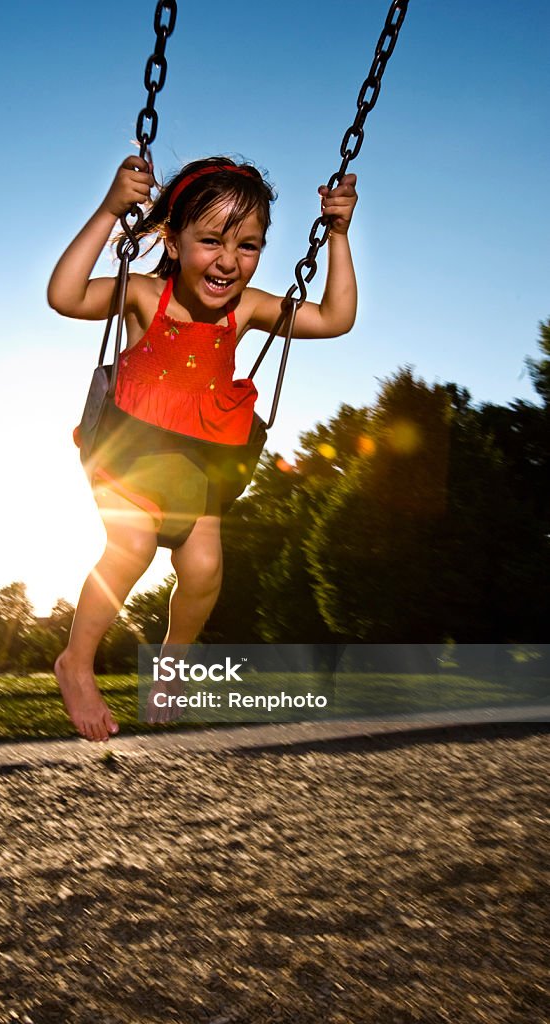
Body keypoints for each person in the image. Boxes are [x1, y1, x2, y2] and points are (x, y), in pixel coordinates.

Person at [47, 154, 358, 741]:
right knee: (132, 545)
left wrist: (337, 235)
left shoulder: (247, 309)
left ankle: (174, 658)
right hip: (128, 450)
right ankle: (77, 663)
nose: (228, 261)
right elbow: (65, 296)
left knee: (206, 568)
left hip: (199, 460)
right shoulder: (143, 296)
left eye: (248, 246)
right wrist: (112, 209)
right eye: (211, 240)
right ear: (170, 237)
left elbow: (336, 317)